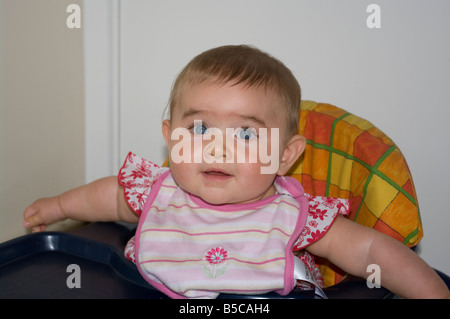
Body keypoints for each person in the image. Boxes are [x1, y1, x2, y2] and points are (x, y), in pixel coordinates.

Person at [23, 45, 450, 299]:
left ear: (285, 156)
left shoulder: (293, 216)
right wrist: (56, 207)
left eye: (245, 133)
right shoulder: (157, 193)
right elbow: (108, 196)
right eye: (200, 127)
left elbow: (372, 253)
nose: (217, 146)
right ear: (172, 137)